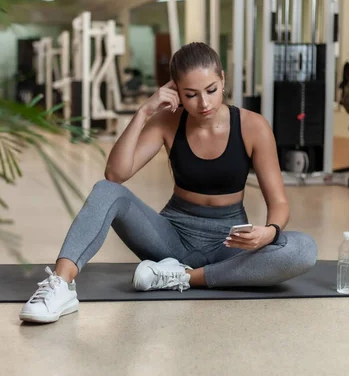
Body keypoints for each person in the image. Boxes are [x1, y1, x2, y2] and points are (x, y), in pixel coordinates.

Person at [19, 42, 317, 324]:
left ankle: (184, 277)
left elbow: (278, 203)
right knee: (106, 191)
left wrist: (269, 232)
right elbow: (116, 174)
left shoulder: (253, 126)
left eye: (211, 90)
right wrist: (144, 112)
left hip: (230, 244)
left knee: (303, 249)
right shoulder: (167, 122)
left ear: (223, 80)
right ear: (175, 90)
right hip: (170, 240)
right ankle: (61, 285)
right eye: (190, 95)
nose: (203, 103)